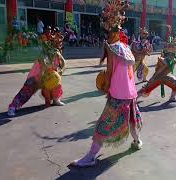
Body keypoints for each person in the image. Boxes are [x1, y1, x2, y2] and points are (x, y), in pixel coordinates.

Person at [71, 0, 142, 167]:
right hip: (130, 93)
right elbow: (130, 70)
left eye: (107, 32)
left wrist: (106, 86)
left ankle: (90, 157)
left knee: (103, 125)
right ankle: (138, 142)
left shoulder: (111, 47)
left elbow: (110, 72)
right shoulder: (126, 48)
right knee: (132, 119)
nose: (108, 35)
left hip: (117, 94)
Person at [7, 37, 66, 116]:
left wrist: (60, 71)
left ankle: (56, 100)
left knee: (57, 83)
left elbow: (63, 64)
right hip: (37, 77)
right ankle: (13, 107)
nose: (57, 47)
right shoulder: (43, 55)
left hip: (49, 78)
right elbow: (44, 65)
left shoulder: (57, 55)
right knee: (26, 91)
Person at [138, 25, 176, 103]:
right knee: (147, 87)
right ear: (169, 50)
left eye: (175, 47)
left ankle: (172, 97)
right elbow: (158, 70)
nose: (175, 48)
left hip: (166, 77)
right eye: (173, 47)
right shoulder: (164, 60)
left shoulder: (172, 58)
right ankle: (135, 98)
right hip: (159, 77)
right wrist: (153, 78)